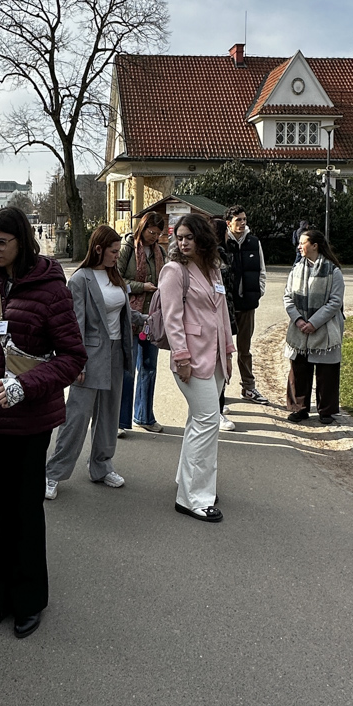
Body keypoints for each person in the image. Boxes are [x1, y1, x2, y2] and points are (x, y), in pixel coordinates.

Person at [0, 206, 86, 637]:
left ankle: (29, 600)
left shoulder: (51, 290)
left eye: (0, 243)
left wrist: (24, 386)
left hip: (28, 420)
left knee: (24, 510)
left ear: (22, 241)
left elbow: (72, 357)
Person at [46, 224, 138, 497]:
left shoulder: (115, 275)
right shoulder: (80, 279)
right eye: (113, 251)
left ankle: (101, 466)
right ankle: (54, 473)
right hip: (89, 355)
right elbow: (75, 324)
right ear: (98, 249)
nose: (117, 256)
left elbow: (123, 314)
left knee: (109, 415)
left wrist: (147, 319)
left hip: (116, 352)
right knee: (77, 417)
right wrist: (78, 363)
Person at [157, 211, 234, 524]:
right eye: (179, 237)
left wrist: (229, 350)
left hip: (215, 357)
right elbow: (172, 318)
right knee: (207, 421)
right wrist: (181, 357)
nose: (183, 242)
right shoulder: (174, 271)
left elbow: (222, 313)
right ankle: (193, 498)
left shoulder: (214, 269)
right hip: (190, 358)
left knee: (199, 422)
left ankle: (191, 482)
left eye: (189, 237)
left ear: (203, 238)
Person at [284, 227, 346, 426]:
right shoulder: (296, 270)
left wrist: (314, 322)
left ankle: (326, 411)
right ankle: (299, 408)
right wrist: (299, 320)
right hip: (299, 330)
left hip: (325, 329)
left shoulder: (333, 271)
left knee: (327, 372)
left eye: (302, 243)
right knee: (298, 369)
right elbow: (287, 297)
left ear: (315, 246)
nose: (299, 246)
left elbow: (335, 302)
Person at [117, 210, 168, 435]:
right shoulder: (127, 247)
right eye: (151, 232)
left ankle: (144, 416)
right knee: (127, 370)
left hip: (152, 317)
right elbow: (116, 279)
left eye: (157, 234)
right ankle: (120, 421)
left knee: (149, 367)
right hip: (129, 315)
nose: (154, 237)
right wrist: (142, 287)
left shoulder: (160, 252)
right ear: (143, 227)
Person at [223, 205, 267, 401]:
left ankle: (248, 387)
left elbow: (261, 271)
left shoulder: (254, 242)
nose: (242, 223)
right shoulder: (223, 243)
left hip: (247, 305)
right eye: (238, 220)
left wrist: (257, 293)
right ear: (229, 223)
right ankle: (220, 391)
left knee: (245, 349)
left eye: (244, 219)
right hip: (226, 306)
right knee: (222, 349)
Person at [212, 217, 239, 433]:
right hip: (219, 314)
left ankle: (219, 404)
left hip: (225, 310)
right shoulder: (217, 255)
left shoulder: (224, 252)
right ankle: (217, 410)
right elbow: (228, 282)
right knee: (218, 362)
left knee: (223, 359)